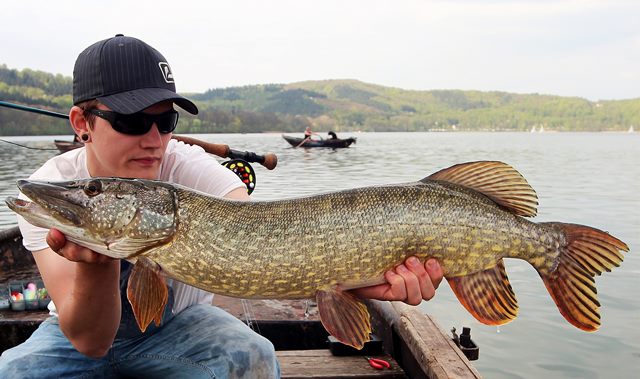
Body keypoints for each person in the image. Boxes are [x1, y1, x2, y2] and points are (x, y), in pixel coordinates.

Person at [0, 34, 443, 379]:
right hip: (74, 335)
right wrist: (98, 262)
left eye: (166, 120)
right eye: (133, 121)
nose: (154, 140)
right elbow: (89, 341)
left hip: (179, 327)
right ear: (82, 123)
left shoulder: (189, 166)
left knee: (252, 356)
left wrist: (357, 278)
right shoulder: (52, 188)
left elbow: (260, 228)